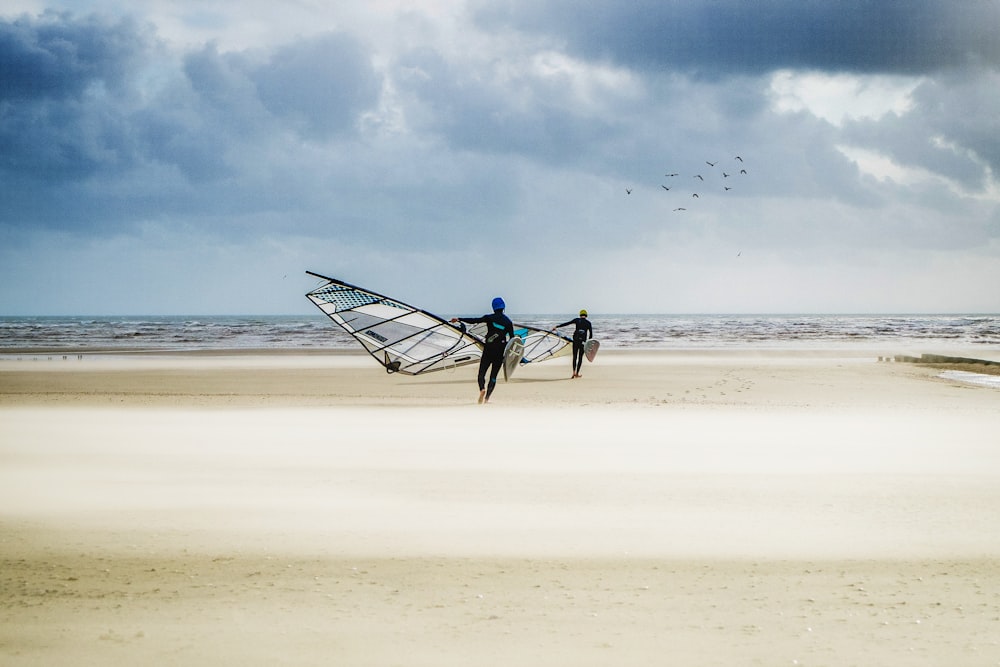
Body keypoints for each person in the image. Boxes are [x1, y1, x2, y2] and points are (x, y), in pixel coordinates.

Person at [450, 297, 516, 403]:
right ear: (503, 307)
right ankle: (487, 398)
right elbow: (512, 340)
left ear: (493, 307)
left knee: (481, 374)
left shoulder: (489, 318)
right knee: (493, 376)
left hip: (488, 350)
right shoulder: (508, 322)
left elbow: (474, 320)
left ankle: (482, 389)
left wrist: (459, 319)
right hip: (499, 352)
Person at [553, 309, 593, 378]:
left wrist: (557, 326)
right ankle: (577, 373)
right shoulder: (588, 323)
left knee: (575, 357)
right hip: (583, 342)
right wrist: (588, 343)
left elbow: (567, 323)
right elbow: (591, 335)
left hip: (576, 341)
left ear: (580, 315)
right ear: (586, 315)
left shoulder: (577, 320)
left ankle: (573, 372)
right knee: (580, 358)